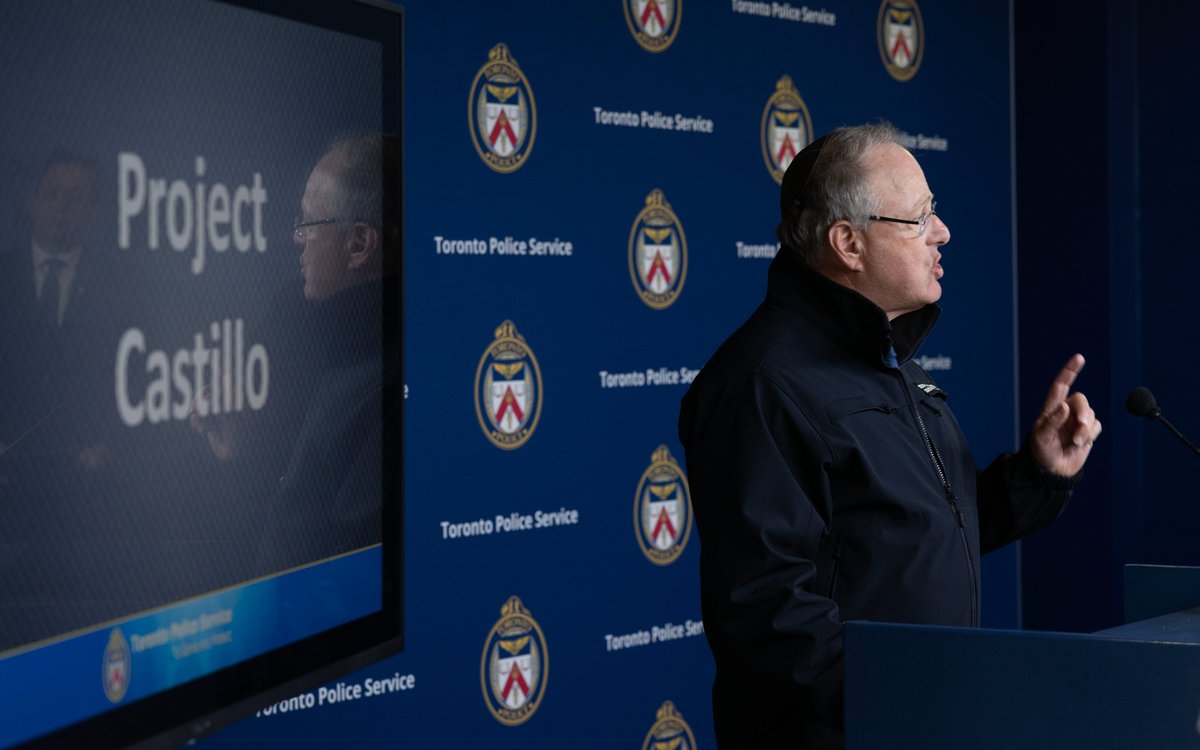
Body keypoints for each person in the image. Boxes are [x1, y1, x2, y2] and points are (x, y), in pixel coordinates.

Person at [677, 123, 1101, 749]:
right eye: (919, 217)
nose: (942, 232)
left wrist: (1040, 473)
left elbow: (915, 534)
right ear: (848, 242)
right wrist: (909, 705)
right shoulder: (760, 384)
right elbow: (768, 608)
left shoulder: (888, 360)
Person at [191, 133, 401, 576]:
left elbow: (321, 558)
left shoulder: (390, 379)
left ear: (360, 244)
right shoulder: (293, 312)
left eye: (309, 223)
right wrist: (242, 454)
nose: (296, 238)